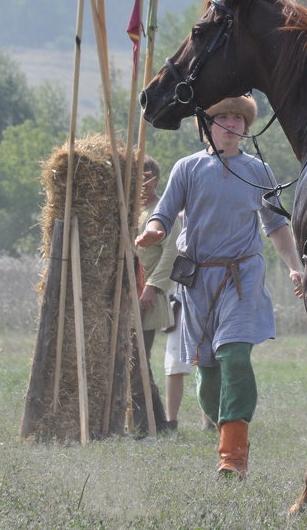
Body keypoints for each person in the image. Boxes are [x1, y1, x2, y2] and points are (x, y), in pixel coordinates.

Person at [135, 95, 306, 478]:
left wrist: (296, 267)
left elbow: (276, 226)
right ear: (206, 126)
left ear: (246, 128)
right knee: (208, 377)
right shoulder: (188, 168)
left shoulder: (260, 171)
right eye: (221, 117)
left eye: (237, 118)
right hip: (196, 281)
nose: (230, 124)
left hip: (242, 277)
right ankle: (227, 426)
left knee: (235, 355)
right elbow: (163, 213)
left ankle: (233, 458)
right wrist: (152, 231)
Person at [132, 155, 178, 435]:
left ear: (157, 180)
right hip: (129, 294)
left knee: (138, 360)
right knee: (132, 362)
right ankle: (149, 423)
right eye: (139, 178)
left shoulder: (162, 211)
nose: (144, 185)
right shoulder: (130, 210)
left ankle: (154, 424)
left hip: (147, 295)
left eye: (148, 178)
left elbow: (170, 253)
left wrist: (152, 286)